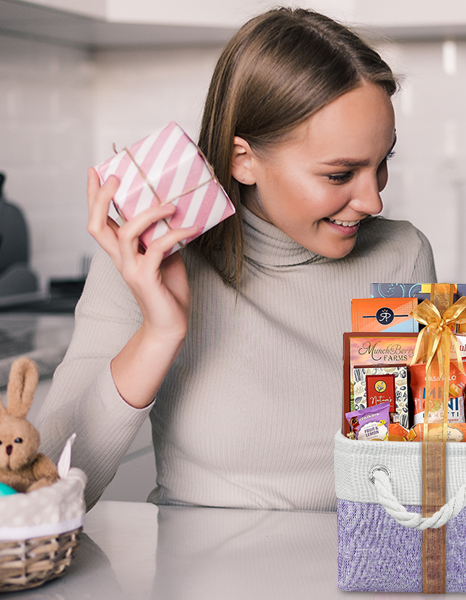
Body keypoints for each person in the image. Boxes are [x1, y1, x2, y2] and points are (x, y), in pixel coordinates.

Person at [36, 7, 436, 510]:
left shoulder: (401, 256)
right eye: (339, 175)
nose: (373, 200)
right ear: (242, 160)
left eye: (382, 163)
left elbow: (413, 468)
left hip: (360, 559)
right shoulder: (146, 259)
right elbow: (42, 491)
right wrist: (159, 336)